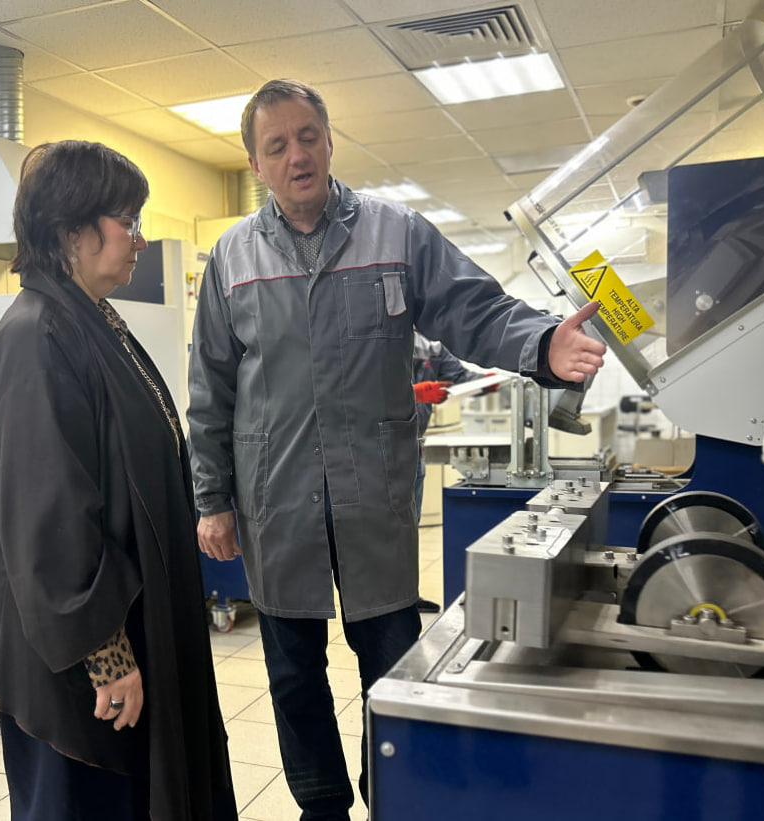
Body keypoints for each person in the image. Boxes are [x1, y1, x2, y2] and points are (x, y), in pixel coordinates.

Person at [187, 79, 605, 821]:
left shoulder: (395, 232)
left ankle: (394, 796)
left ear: (329, 140)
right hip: (276, 501)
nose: (296, 155)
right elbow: (210, 388)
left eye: (307, 136)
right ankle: (321, 806)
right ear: (255, 163)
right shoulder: (231, 257)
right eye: (276, 145)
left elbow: (473, 309)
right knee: (292, 676)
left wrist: (541, 342)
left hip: (372, 498)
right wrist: (211, 498)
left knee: (391, 665)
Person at [0, 140, 237, 821]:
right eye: (127, 220)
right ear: (69, 231)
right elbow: (50, 517)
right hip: (69, 650)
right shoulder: (36, 335)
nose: (140, 239)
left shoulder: (90, 321)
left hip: (117, 623)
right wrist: (106, 654)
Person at [411, 332, 487, 520]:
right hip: (376, 451)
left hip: (413, 447)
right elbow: (361, 391)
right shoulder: (372, 344)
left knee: (410, 523)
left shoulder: (431, 347)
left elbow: (460, 376)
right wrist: (414, 394)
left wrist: (491, 382)